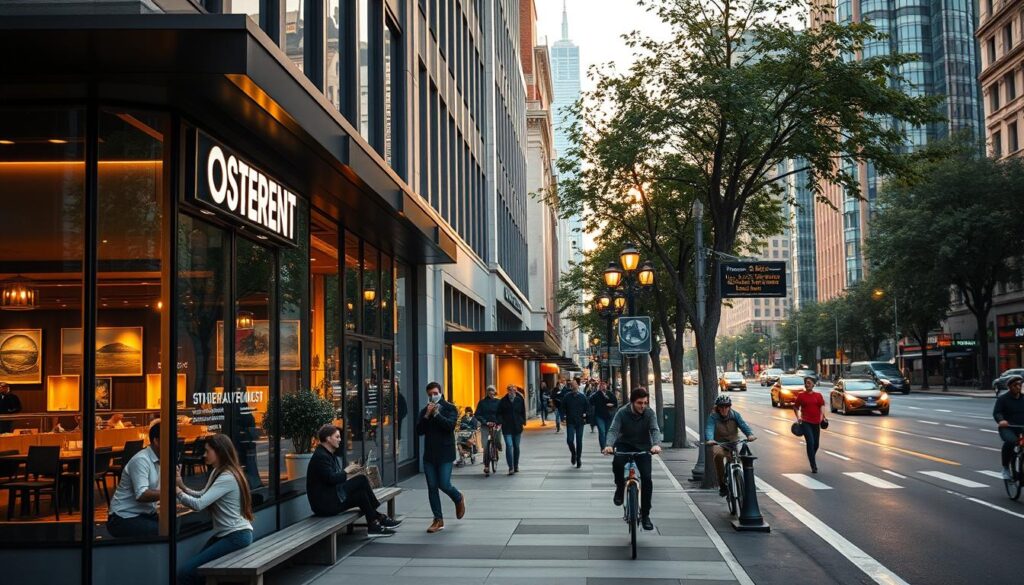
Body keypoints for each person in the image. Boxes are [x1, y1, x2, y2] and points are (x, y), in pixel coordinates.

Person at [175, 434, 255, 585]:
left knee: (186, 573)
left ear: (219, 451)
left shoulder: (227, 477)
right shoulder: (218, 471)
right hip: (229, 534)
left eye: (207, 451)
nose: (204, 455)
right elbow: (203, 495)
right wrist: (182, 486)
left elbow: (199, 504)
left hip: (235, 536)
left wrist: (177, 492)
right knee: (194, 572)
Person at [306, 424, 400, 535]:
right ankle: (378, 516)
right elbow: (331, 479)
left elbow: (334, 479)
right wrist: (346, 471)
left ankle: (373, 524)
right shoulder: (321, 456)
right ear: (328, 438)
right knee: (361, 479)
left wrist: (350, 473)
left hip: (332, 498)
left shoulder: (328, 454)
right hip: (325, 505)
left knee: (361, 494)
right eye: (337, 437)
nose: (340, 440)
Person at [602, 388, 663, 531]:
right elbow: (613, 430)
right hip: (624, 445)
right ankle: (619, 488)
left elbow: (654, 430)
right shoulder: (622, 413)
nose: (643, 406)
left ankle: (646, 515)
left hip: (643, 448)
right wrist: (609, 445)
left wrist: (656, 445)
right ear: (632, 402)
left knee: (647, 479)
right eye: (639, 403)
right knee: (617, 464)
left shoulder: (649, 413)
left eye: (645, 403)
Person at [416, 381, 466, 533]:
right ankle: (438, 519)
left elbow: (449, 426)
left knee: (444, 484)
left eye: (435, 393)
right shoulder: (425, 410)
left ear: (441, 393)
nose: (433, 397)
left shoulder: (450, 408)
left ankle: (458, 498)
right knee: (432, 487)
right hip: (430, 455)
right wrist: (426, 415)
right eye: (430, 394)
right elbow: (419, 431)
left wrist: (436, 414)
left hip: (445, 454)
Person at [107, 422, 161, 537]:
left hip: (146, 514)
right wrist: (169, 493)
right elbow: (141, 494)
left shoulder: (163, 458)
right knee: (162, 531)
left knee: (177, 525)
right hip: (123, 517)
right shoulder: (141, 460)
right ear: (156, 441)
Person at [704, 395, 757, 496]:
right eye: (721, 407)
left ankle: (739, 480)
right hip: (719, 443)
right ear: (718, 408)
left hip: (733, 442)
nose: (724, 409)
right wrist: (710, 439)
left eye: (726, 406)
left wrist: (749, 434)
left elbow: (743, 425)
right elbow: (709, 428)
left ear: (729, 407)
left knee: (736, 460)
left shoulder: (735, 415)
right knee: (718, 457)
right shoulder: (713, 417)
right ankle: (723, 485)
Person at [792, 376, 827, 473]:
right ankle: (813, 465)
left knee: (816, 444)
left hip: (816, 423)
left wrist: (823, 417)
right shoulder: (801, 395)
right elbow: (795, 407)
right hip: (806, 422)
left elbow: (822, 406)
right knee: (810, 442)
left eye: (809, 383)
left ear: (813, 384)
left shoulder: (818, 395)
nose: (807, 385)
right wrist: (798, 417)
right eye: (806, 383)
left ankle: (811, 456)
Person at [994, 375, 1024, 479]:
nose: (1018, 387)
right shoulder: (1003, 399)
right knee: (1011, 442)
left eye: (1020, 384)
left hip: (1022, 427)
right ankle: (1005, 468)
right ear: (1009, 386)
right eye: (1015, 385)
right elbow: (997, 412)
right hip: (1008, 427)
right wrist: (1001, 420)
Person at [560, 380, 591, 468]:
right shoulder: (567, 397)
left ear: (577, 386)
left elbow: (588, 408)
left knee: (579, 441)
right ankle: (573, 454)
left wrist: (586, 414)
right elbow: (562, 408)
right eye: (572, 386)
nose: (573, 387)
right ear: (571, 387)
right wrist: (563, 417)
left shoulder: (582, 397)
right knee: (569, 440)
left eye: (575, 385)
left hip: (580, 422)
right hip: (570, 421)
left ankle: (578, 458)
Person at [498, 384, 526, 474]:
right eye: (510, 390)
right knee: (509, 446)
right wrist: (502, 421)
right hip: (507, 427)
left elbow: (523, 411)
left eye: (513, 390)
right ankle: (510, 467)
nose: (512, 392)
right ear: (508, 391)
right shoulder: (503, 401)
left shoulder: (519, 400)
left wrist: (522, 421)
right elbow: (499, 413)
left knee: (516, 446)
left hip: (517, 427)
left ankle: (516, 465)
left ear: (516, 391)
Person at [475, 386, 501, 476]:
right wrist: (485, 422)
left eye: (492, 390)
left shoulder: (498, 402)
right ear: (486, 392)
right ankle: (486, 466)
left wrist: (497, 422)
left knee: (497, 441)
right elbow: (477, 414)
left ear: (495, 392)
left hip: (496, 424)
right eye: (489, 390)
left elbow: (501, 414)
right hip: (485, 425)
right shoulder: (482, 402)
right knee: (486, 445)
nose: (490, 392)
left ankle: (496, 449)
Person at [589, 381, 618, 451]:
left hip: (609, 415)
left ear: (606, 386)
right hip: (599, 415)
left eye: (604, 385)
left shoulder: (610, 393)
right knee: (602, 431)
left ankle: (608, 446)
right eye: (601, 385)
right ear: (599, 387)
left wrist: (612, 404)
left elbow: (615, 403)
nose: (603, 386)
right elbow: (590, 401)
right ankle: (603, 447)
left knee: (608, 431)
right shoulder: (596, 394)